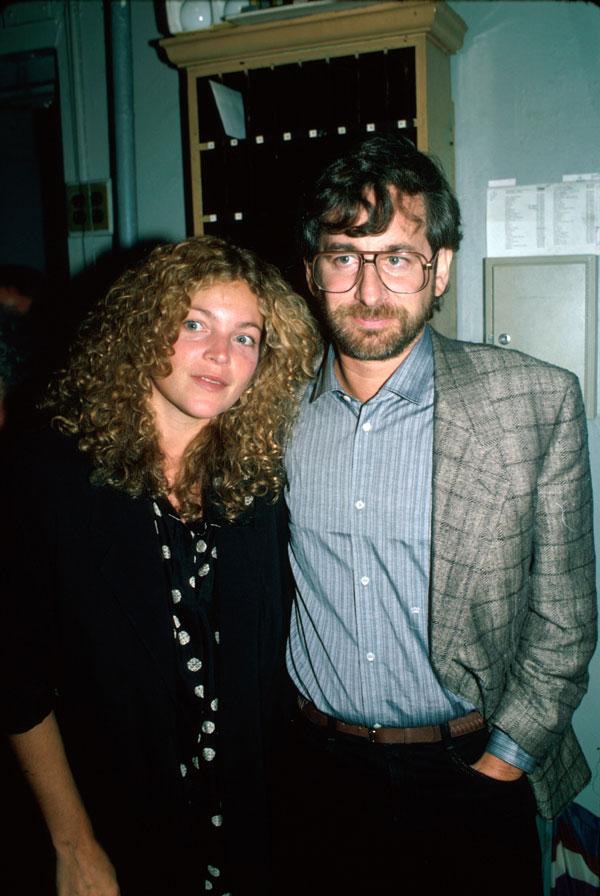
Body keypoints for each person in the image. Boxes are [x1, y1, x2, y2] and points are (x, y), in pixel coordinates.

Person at [276, 134, 597, 895]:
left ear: (439, 267)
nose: (369, 287)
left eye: (397, 256)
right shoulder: (271, 409)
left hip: (471, 770)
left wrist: (499, 767)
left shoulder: (535, 402)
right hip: (317, 773)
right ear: (314, 270)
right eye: (344, 256)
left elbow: (566, 622)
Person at [0, 235, 319, 896]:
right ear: (145, 330)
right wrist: (73, 842)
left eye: (246, 337)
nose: (218, 355)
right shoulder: (47, 477)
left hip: (256, 836)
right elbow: (14, 676)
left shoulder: (265, 486)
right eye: (194, 323)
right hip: (118, 834)